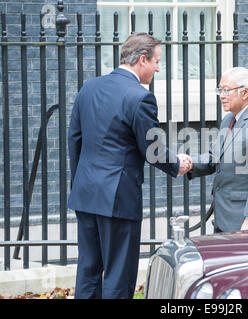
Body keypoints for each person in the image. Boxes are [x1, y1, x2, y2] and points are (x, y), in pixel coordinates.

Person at [68, 32, 192, 299]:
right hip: (117, 199)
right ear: (142, 60)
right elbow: (153, 150)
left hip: (86, 193)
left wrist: (81, 182)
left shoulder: (89, 87)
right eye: (157, 61)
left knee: (88, 271)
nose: (159, 68)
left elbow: (74, 140)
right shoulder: (140, 97)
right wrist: (177, 164)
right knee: (118, 276)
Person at [187, 67, 248, 233]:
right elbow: (215, 157)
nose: (221, 95)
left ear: (244, 93)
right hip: (225, 216)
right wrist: (188, 163)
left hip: (245, 221)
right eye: (220, 90)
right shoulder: (229, 119)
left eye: (226, 90)